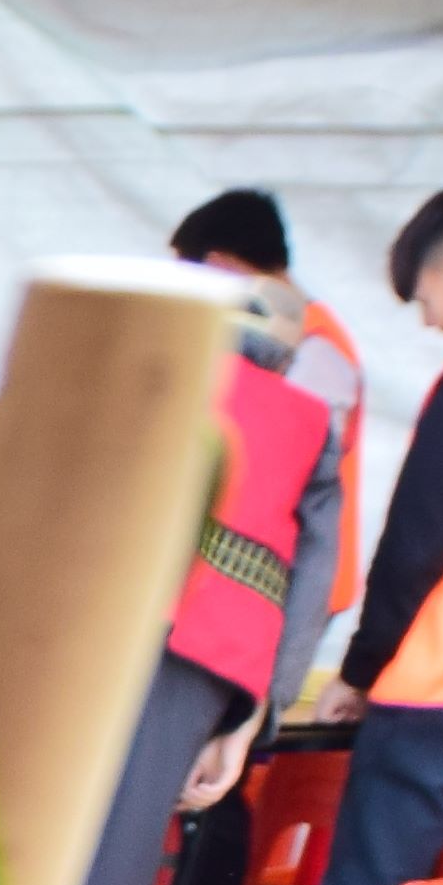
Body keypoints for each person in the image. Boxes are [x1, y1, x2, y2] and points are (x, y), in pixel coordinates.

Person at [180, 180, 443, 885]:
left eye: (423, 282)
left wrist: (365, 666)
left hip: (437, 689)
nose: (421, 311)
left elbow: (421, 539)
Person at [23, 275, 339, 885]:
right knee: (111, 873)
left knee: (10, 833)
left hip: (72, 624)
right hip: (198, 659)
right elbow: (309, 587)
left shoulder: (141, 369)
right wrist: (250, 720)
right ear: (290, 350)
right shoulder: (312, 426)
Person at [172, 184, 367, 646]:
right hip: (270, 572)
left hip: (291, 578)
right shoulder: (303, 338)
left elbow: (282, 466)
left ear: (220, 265)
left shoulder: (317, 347)